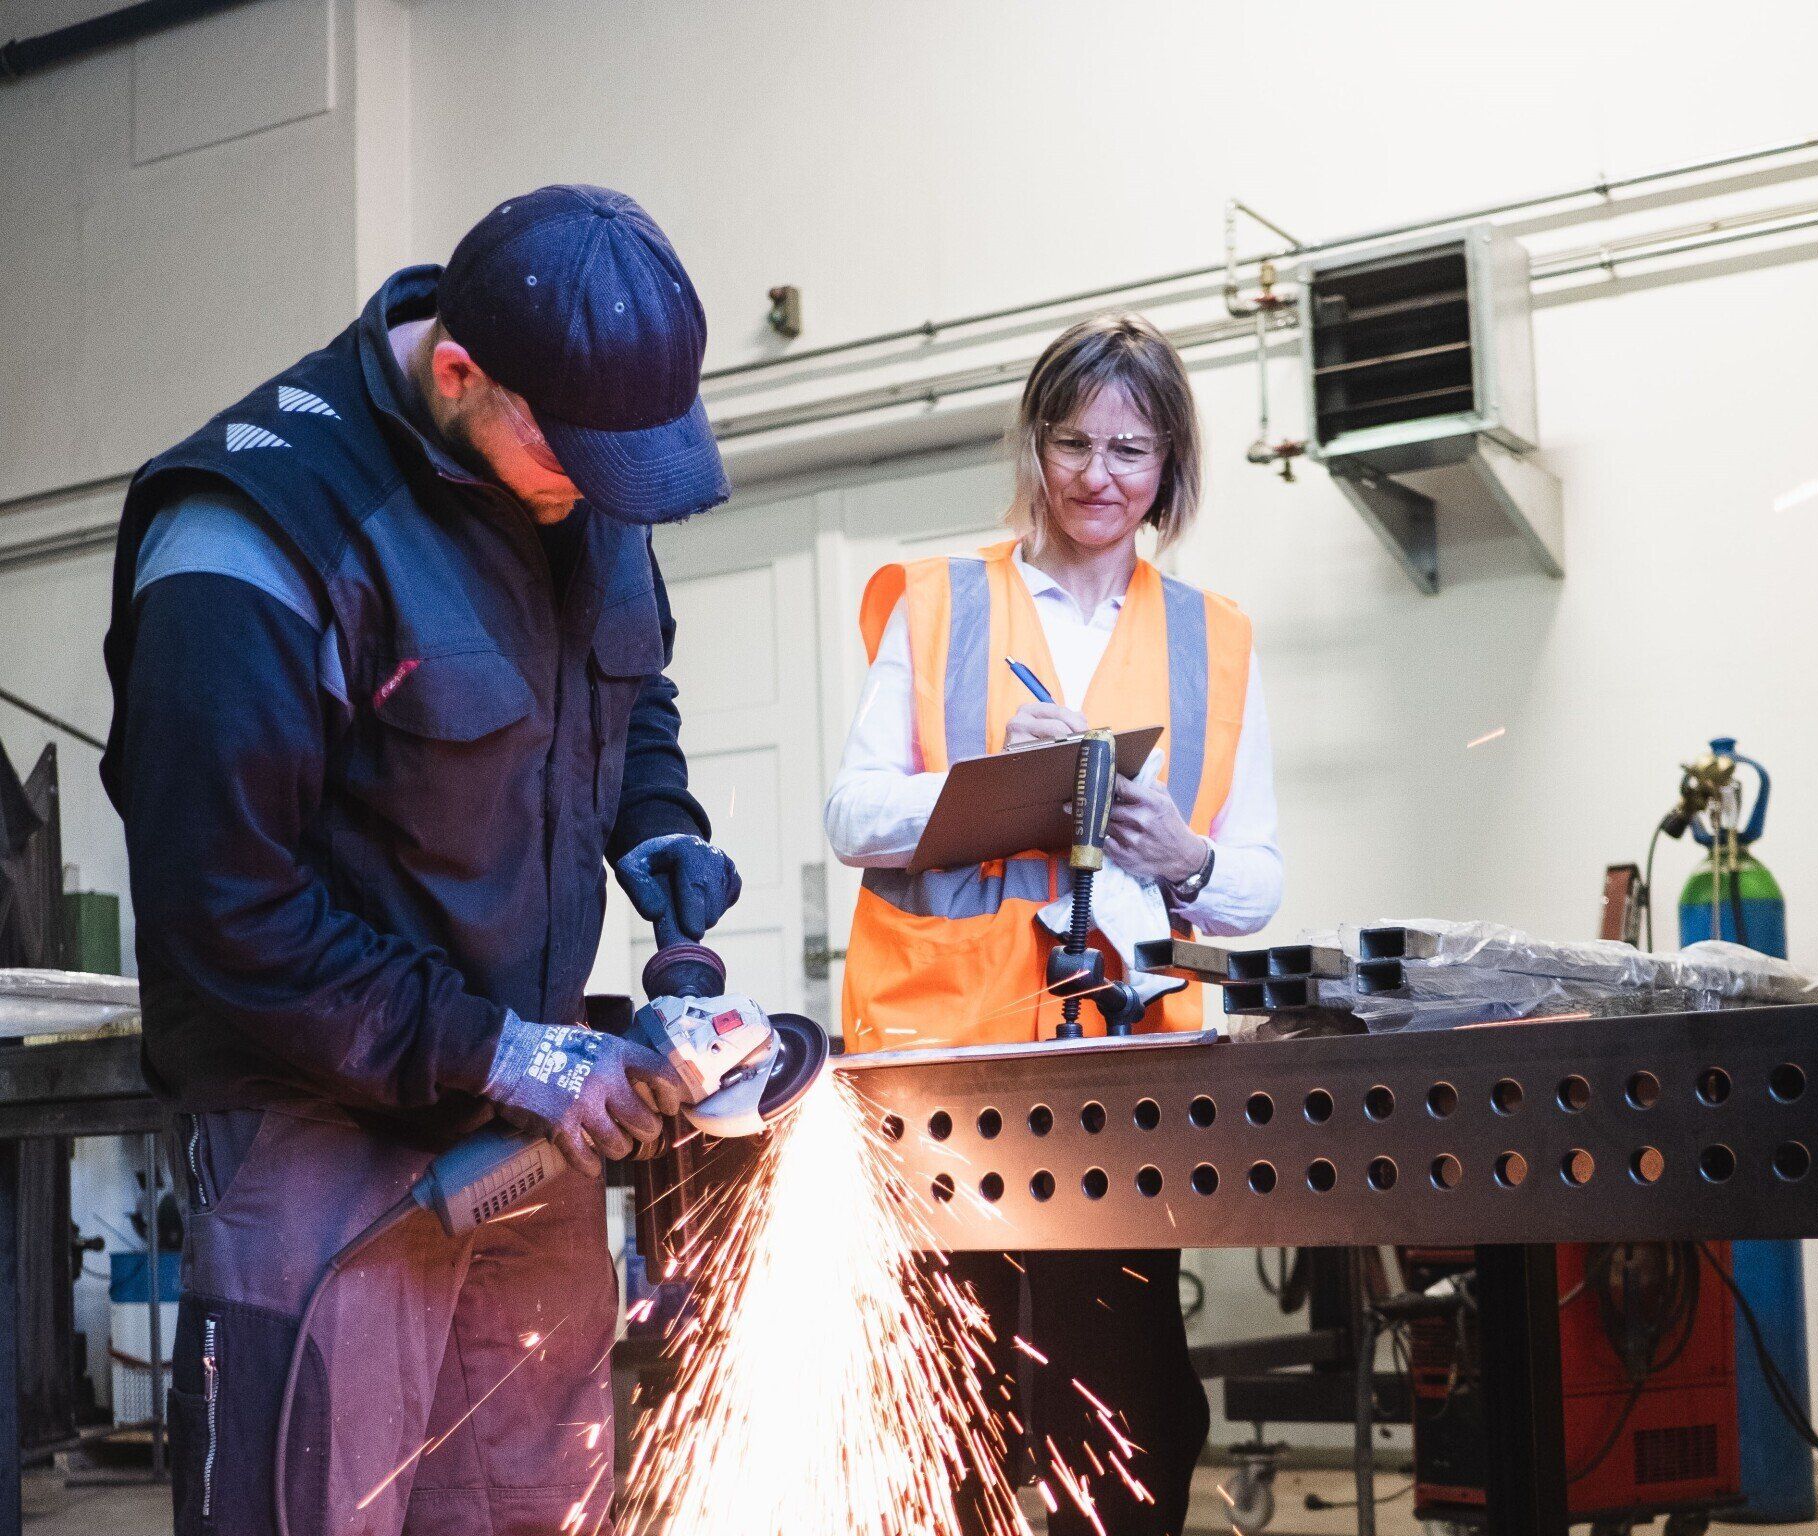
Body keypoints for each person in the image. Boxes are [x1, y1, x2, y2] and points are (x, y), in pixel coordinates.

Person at [101, 185, 742, 1536]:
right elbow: (227, 910)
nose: (595, 503)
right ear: (460, 375)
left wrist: (661, 822)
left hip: (526, 1133)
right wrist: (508, 1050)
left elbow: (630, 690)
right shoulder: (252, 534)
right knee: (319, 1504)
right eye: (577, 470)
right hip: (324, 1141)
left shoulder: (580, 460)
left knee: (536, 1504)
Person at [825, 313, 1283, 1535]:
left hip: (1114, 1067)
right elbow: (854, 813)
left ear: (1171, 467)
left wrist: (1181, 854)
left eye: (1130, 452)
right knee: (951, 1398)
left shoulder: (1214, 637)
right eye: (1073, 444)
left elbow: (1255, 883)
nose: (1098, 477)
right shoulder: (938, 605)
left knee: (1123, 1400)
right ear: (1035, 449)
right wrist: (987, 787)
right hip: (946, 1064)